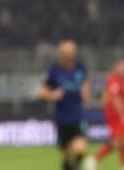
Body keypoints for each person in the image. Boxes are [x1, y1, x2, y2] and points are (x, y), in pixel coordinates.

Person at [38, 39, 93, 170]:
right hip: (61, 118)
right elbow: (41, 92)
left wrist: (85, 91)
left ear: (74, 53)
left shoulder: (80, 68)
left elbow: (86, 82)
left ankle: (76, 165)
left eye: (70, 52)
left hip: (78, 116)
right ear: (60, 53)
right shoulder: (54, 70)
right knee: (66, 157)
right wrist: (53, 94)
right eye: (64, 52)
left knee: (80, 149)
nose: (67, 55)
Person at [92, 59, 124, 170]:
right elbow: (115, 99)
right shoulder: (114, 80)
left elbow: (107, 96)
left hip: (116, 114)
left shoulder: (119, 80)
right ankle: (94, 159)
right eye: (122, 66)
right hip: (114, 115)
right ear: (116, 66)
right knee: (116, 142)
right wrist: (123, 114)